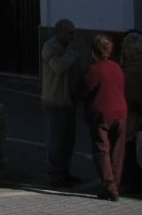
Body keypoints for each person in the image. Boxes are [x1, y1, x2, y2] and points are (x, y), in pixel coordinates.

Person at [82, 33, 128, 201]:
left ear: (94, 51)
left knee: (102, 149)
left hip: (101, 113)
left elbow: (83, 90)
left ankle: (109, 186)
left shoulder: (93, 70)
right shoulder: (117, 67)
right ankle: (115, 182)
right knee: (118, 150)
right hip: (121, 112)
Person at [41, 18, 82, 187]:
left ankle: (65, 170)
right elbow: (58, 66)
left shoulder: (68, 48)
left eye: (74, 33)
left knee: (68, 140)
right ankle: (55, 173)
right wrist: (71, 52)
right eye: (69, 33)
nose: (72, 36)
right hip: (54, 100)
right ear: (59, 31)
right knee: (57, 140)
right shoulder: (50, 47)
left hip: (69, 100)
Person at [121, 31, 142, 193]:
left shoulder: (136, 66)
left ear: (134, 49)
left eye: (126, 47)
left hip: (138, 114)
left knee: (138, 149)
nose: (124, 51)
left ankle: (138, 184)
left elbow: (131, 93)